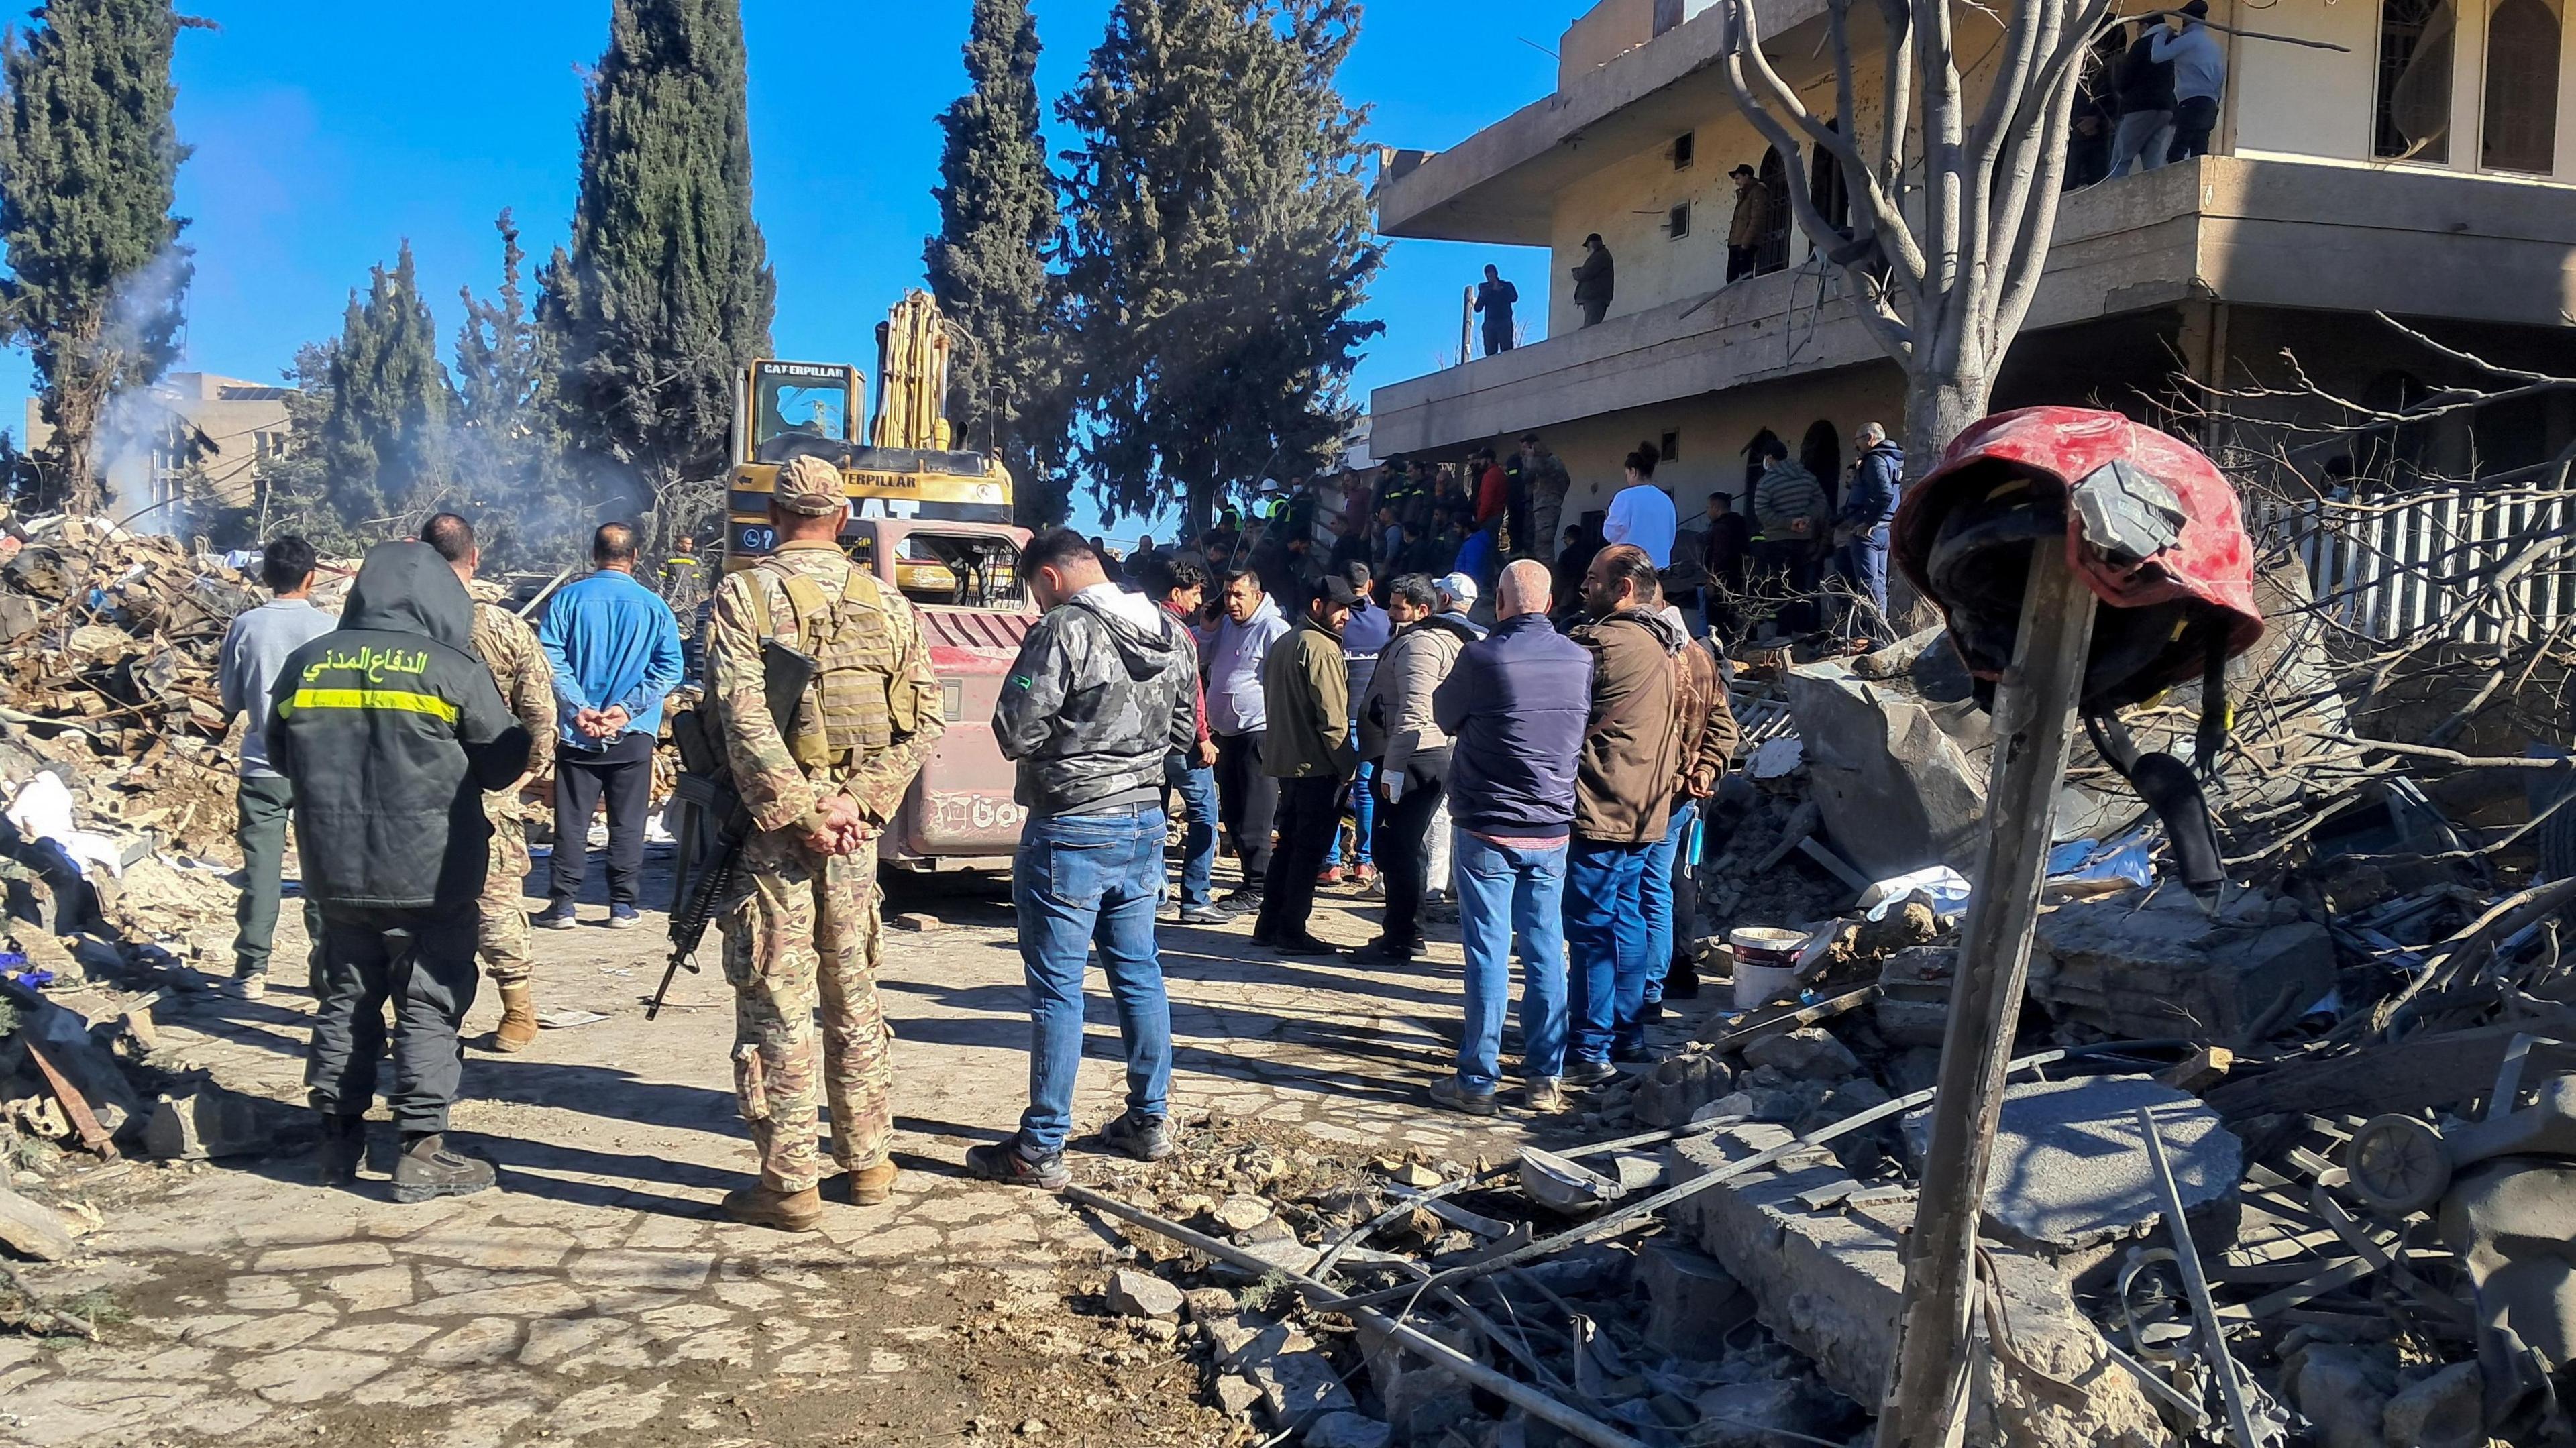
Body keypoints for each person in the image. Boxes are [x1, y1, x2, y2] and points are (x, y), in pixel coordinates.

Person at [700, 455, 943, 1229]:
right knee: (853, 988)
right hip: (851, 833)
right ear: (842, 520)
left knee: (777, 996)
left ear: (774, 517)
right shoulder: (888, 601)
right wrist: (855, 802)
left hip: (780, 835)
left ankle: (790, 1182)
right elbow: (923, 722)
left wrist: (803, 809)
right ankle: (868, 1159)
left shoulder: (744, 593)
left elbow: (742, 717)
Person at [270, 541, 531, 1200]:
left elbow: (279, 755)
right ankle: (420, 1148)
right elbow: (501, 765)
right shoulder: (452, 668)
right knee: (428, 1003)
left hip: (336, 870)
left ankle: (336, 1141)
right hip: (432, 873)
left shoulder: (307, 664)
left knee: (345, 997)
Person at [969, 531, 1195, 1189]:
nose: (1035, 605)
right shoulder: (1170, 629)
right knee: (1138, 971)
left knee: (1059, 989)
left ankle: (1039, 1146)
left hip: (1071, 826)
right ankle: (1149, 1120)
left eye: (1033, 592)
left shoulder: (1062, 630)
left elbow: (1015, 727)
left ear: (1048, 577)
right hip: (1144, 823)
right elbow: (1183, 734)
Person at [1428, 559, 1591, 1115]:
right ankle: (1546, 1078)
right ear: (1547, 603)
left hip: (1487, 826)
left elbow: (1443, 714)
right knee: (1547, 950)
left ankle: (1478, 1079)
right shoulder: (1580, 658)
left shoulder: (1482, 656)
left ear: (1498, 602)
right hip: (1551, 827)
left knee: (1488, 952)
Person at [421, 513, 557, 1053]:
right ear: (473, 559)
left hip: (415, 789)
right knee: (497, 901)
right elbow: (540, 711)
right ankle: (517, 1012)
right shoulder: (502, 627)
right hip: (486, 787)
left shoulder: (407, 626)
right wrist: (527, 773)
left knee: (416, 904)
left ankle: (425, 1012)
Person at [1563, 545, 1684, 1081]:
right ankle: (1628, 1034)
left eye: (1593, 579)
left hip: (1603, 804)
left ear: (1625, 589)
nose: (1583, 588)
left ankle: (1590, 1048)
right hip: (1647, 806)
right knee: (1628, 918)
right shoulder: (1675, 647)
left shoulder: (1600, 643)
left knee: (1592, 927)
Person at [535, 522, 685, 930]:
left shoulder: (567, 600)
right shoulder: (654, 606)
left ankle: (563, 906)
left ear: (594, 555)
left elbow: (549, 660)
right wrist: (625, 709)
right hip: (633, 734)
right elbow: (671, 668)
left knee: (572, 821)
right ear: (634, 557)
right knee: (628, 821)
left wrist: (578, 709)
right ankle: (622, 906)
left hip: (576, 733)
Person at [217, 535, 335, 1001]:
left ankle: (251, 969)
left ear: (266, 577)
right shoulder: (331, 628)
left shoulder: (246, 625)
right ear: (312, 575)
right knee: (321, 873)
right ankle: (325, 969)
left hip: (262, 766)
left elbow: (229, 699)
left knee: (261, 872)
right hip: (320, 768)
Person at [1358, 573, 1479, 962]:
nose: (1390, 613)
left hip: (1412, 755)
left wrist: (1393, 766)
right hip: (1416, 753)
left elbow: (1414, 710)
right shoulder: (1424, 640)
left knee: (1400, 849)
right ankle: (1404, 932)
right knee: (1403, 848)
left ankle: (1403, 937)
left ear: (1423, 610)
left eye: (1398, 607)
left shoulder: (1421, 644)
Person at [1641, 586, 1739, 1018]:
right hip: (1685, 795)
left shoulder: (1656, 655)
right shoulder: (1701, 656)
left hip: (1654, 795)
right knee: (1665, 889)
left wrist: (1702, 768)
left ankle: (1650, 988)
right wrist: (1708, 768)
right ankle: (1659, 985)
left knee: (1646, 891)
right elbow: (1725, 727)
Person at [1254, 575, 1358, 954]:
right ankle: (1292, 929)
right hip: (1317, 765)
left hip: (1287, 761)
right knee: (1307, 852)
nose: (1346, 616)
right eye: (1339, 607)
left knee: (1288, 846)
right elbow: (1332, 719)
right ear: (1318, 606)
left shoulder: (1285, 643)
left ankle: (1269, 924)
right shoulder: (1321, 648)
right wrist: (1348, 766)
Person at [1146, 555, 1230, 925]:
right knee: (1205, 817)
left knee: (1153, 817)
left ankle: (1156, 892)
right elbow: (1191, 690)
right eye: (1195, 594)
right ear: (1176, 592)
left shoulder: (1139, 624)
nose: (1198, 602)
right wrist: (1203, 738)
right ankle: (1196, 897)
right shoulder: (1181, 635)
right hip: (1182, 744)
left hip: (1147, 742)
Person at [1206, 569, 1289, 909]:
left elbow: (1286, 677)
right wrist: (1209, 627)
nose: (1232, 602)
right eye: (1227, 595)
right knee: (1235, 814)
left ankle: (1260, 886)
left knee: (1256, 816)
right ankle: (1250, 882)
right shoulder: (1225, 625)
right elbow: (1198, 657)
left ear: (1258, 595)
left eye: (1239, 595)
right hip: (1225, 734)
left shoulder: (1273, 628)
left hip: (1259, 732)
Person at [1323, 562, 1390, 889]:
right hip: (1370, 719)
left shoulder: (1335, 621)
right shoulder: (1383, 621)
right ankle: (1365, 863)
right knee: (1366, 791)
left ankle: (1331, 864)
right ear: (1371, 585)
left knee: (1334, 789)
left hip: (1336, 717)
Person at [1835, 423, 1906, 626]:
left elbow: (1884, 494)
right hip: (1885, 529)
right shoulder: (1894, 459)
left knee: (1869, 586)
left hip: (1870, 533)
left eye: (1857, 440)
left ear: (1869, 438)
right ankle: (1879, 632)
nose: (1855, 445)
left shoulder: (1875, 460)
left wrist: (1868, 523)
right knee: (1879, 584)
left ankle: (1877, 634)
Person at [1750, 434, 1831, 601]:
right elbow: (1821, 502)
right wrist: (1807, 518)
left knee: (1778, 586)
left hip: (1776, 540)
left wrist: (1788, 523)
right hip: (1804, 539)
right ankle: (1799, 624)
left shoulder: (1766, 482)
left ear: (1770, 458)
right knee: (1799, 585)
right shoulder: (1807, 477)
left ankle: (1783, 626)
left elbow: (1762, 512)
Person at [2152, 0, 2225, 162]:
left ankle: (2174, 187)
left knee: (2177, 152)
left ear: (2186, 19)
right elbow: (2221, 77)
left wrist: (2163, 34)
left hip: (2191, 102)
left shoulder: (2188, 40)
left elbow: (2157, 56)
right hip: (2211, 103)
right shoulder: (2213, 45)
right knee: (2200, 153)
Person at [2108, 18, 2178, 177]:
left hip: (2139, 108)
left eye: (2138, 28)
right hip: (2167, 109)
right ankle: (2155, 200)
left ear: (2146, 26)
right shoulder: (2175, 44)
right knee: (2154, 163)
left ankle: (2116, 199)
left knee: (2121, 160)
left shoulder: (2142, 44)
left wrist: (2120, 90)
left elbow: (2125, 78)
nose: (2137, 32)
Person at [1601, 446, 1678, 568]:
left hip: (1629, 566)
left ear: (1633, 472)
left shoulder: (1625, 497)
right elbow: (1671, 537)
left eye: (1627, 473)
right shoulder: (1666, 500)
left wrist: (1608, 518)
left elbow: (1610, 534)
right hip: (1659, 566)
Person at [1511, 434, 1572, 567]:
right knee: (1531, 544)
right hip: (1535, 507)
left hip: (1547, 507)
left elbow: (1542, 472)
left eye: (1526, 448)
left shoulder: (1550, 461)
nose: (1524, 452)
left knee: (1543, 546)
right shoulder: (1535, 461)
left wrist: (1535, 457)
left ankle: (1547, 577)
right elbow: (1527, 477)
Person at [1700, 492, 1753, 640]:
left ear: (1716, 507)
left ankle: (1721, 650)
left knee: (1718, 622)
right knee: (1734, 617)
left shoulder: (1721, 528)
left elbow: (1718, 556)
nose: (1707, 511)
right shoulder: (1742, 525)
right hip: (1740, 579)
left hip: (1722, 582)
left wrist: (1712, 580)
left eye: (1708, 507)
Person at [1725, 164, 1772, 282]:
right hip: (1736, 242)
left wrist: (1745, 243)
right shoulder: (1744, 194)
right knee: (1732, 279)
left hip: (1745, 243)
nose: (1736, 182)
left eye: (1738, 178)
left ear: (1747, 176)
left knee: (1745, 278)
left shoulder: (1757, 192)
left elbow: (1757, 219)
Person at [1474, 264, 1519, 356]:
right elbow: (1477, 308)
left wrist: (1501, 291)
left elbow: (1514, 298)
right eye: (1488, 275)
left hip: (1504, 321)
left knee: (1507, 351)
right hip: (1490, 323)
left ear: (1496, 273)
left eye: (1491, 274)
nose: (1490, 277)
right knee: (1490, 352)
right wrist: (1483, 294)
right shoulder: (1486, 290)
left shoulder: (1506, 286)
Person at [1571, 234, 1615, 327]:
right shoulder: (1601, 255)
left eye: (1588, 246)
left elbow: (1585, 273)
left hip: (1595, 297)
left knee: (1590, 329)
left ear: (1592, 244)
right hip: (1595, 297)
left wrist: (1576, 272)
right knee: (1590, 327)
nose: (1587, 250)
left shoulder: (1600, 256)